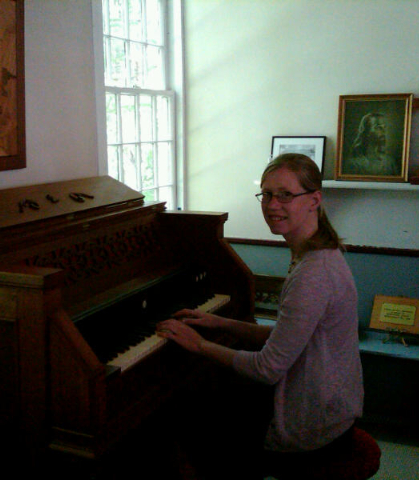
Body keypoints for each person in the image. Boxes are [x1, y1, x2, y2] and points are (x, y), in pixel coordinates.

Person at [157, 153, 364, 478]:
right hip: (328, 404)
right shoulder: (318, 252)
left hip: (313, 423)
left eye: (285, 194)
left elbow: (268, 368)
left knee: (182, 418)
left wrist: (199, 345)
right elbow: (287, 337)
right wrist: (219, 322)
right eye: (266, 194)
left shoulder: (313, 273)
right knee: (210, 397)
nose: (271, 204)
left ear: (314, 199)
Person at [343, 112, 400, 176]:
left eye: (384, 127)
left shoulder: (389, 162)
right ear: (367, 132)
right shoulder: (354, 163)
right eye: (378, 127)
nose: (383, 132)